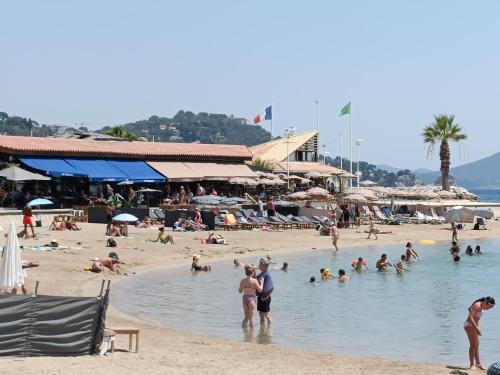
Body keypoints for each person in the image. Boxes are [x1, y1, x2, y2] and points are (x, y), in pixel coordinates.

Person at [464, 297, 495, 370]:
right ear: (486, 302)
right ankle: (472, 364)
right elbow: (471, 318)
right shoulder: (477, 305)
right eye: (489, 307)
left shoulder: (481, 306)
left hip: (474, 326)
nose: (488, 309)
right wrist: (477, 328)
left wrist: (477, 328)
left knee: (477, 345)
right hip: (469, 325)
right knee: (473, 345)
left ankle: (478, 364)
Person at [256, 257, 273, 326]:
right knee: (261, 313)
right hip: (261, 297)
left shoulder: (267, 275)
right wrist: (253, 269)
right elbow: (254, 278)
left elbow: (270, 287)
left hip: (265, 297)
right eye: (259, 265)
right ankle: (262, 328)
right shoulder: (261, 274)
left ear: (266, 266)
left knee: (266, 314)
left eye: (260, 265)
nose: (259, 266)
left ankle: (269, 328)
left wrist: (264, 297)